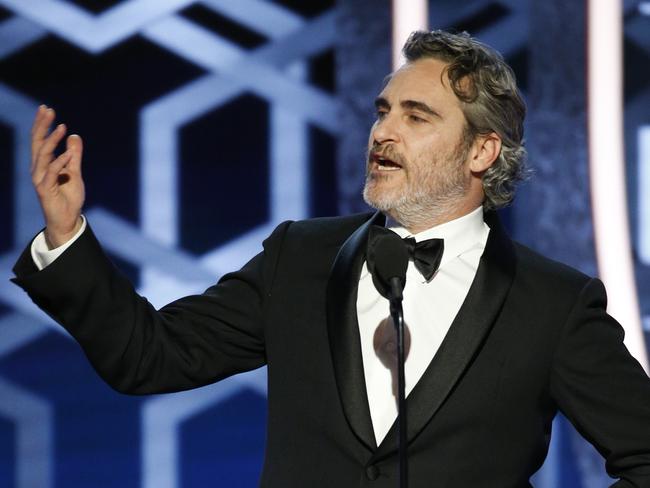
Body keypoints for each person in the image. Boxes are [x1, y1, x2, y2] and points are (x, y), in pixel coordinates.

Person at [12, 30, 650, 487]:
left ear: (482, 152)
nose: (383, 132)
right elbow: (148, 357)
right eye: (382, 111)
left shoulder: (553, 303)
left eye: (416, 115)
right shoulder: (301, 258)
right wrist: (67, 236)